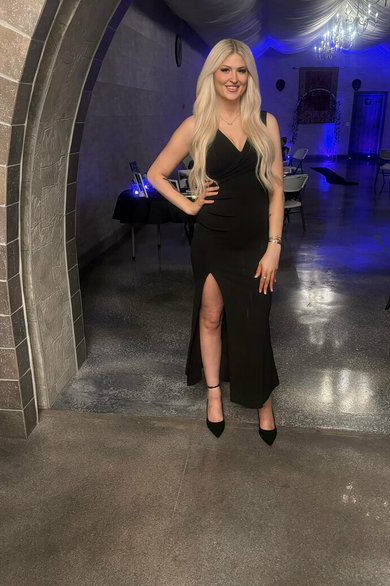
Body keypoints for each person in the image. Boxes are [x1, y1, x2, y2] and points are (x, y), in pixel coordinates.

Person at [147, 39, 284, 445]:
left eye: (241, 70)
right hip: (212, 242)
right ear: (212, 74)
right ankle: (213, 395)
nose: (233, 78)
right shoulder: (196, 125)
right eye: (225, 69)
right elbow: (156, 174)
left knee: (254, 324)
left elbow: (276, 189)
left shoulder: (266, 122)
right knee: (211, 318)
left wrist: (274, 246)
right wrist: (190, 207)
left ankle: (262, 401)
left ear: (249, 77)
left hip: (257, 243)